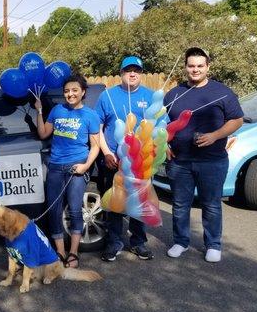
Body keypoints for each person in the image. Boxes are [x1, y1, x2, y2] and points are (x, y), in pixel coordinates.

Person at [164, 47, 243, 263]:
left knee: (211, 204)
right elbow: (162, 125)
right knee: (180, 204)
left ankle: (213, 245)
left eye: (200, 65)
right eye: (191, 66)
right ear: (185, 67)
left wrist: (214, 136)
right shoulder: (174, 94)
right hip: (180, 161)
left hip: (212, 161)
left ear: (208, 66)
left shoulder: (222, 92)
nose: (195, 69)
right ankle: (181, 242)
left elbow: (237, 120)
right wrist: (164, 145)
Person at [34, 73, 100, 268]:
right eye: (67, 91)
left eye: (74, 90)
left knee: (74, 210)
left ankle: (73, 252)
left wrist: (86, 166)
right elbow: (43, 133)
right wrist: (39, 111)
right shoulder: (57, 110)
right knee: (53, 211)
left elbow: (95, 146)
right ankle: (60, 252)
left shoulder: (90, 115)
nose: (70, 94)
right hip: (55, 167)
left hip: (76, 167)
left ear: (83, 92)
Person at [95, 56, 155, 262]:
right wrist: (107, 153)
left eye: (136, 70)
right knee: (115, 204)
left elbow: (159, 128)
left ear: (141, 73)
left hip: (141, 162)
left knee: (139, 203)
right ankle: (114, 243)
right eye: (128, 70)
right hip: (115, 161)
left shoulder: (151, 96)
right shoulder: (107, 96)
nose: (132, 74)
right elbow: (98, 129)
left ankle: (139, 243)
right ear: (121, 73)